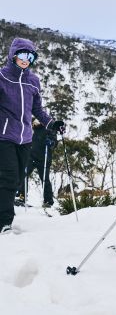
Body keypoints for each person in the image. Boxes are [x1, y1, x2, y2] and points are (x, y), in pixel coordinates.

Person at [0, 37, 65, 234]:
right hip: (4, 136)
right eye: (22, 54)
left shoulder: (33, 81)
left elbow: (37, 109)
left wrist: (52, 123)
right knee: (9, 178)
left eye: (30, 56)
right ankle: (4, 222)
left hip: (25, 138)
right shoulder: (2, 76)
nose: (26, 59)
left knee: (19, 179)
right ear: (13, 55)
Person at [16, 119, 58, 208]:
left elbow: (54, 142)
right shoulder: (31, 130)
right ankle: (21, 196)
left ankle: (48, 201)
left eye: (37, 122)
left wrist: (51, 142)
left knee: (44, 179)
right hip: (31, 157)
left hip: (44, 159)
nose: (34, 123)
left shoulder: (48, 129)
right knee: (24, 175)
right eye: (34, 122)